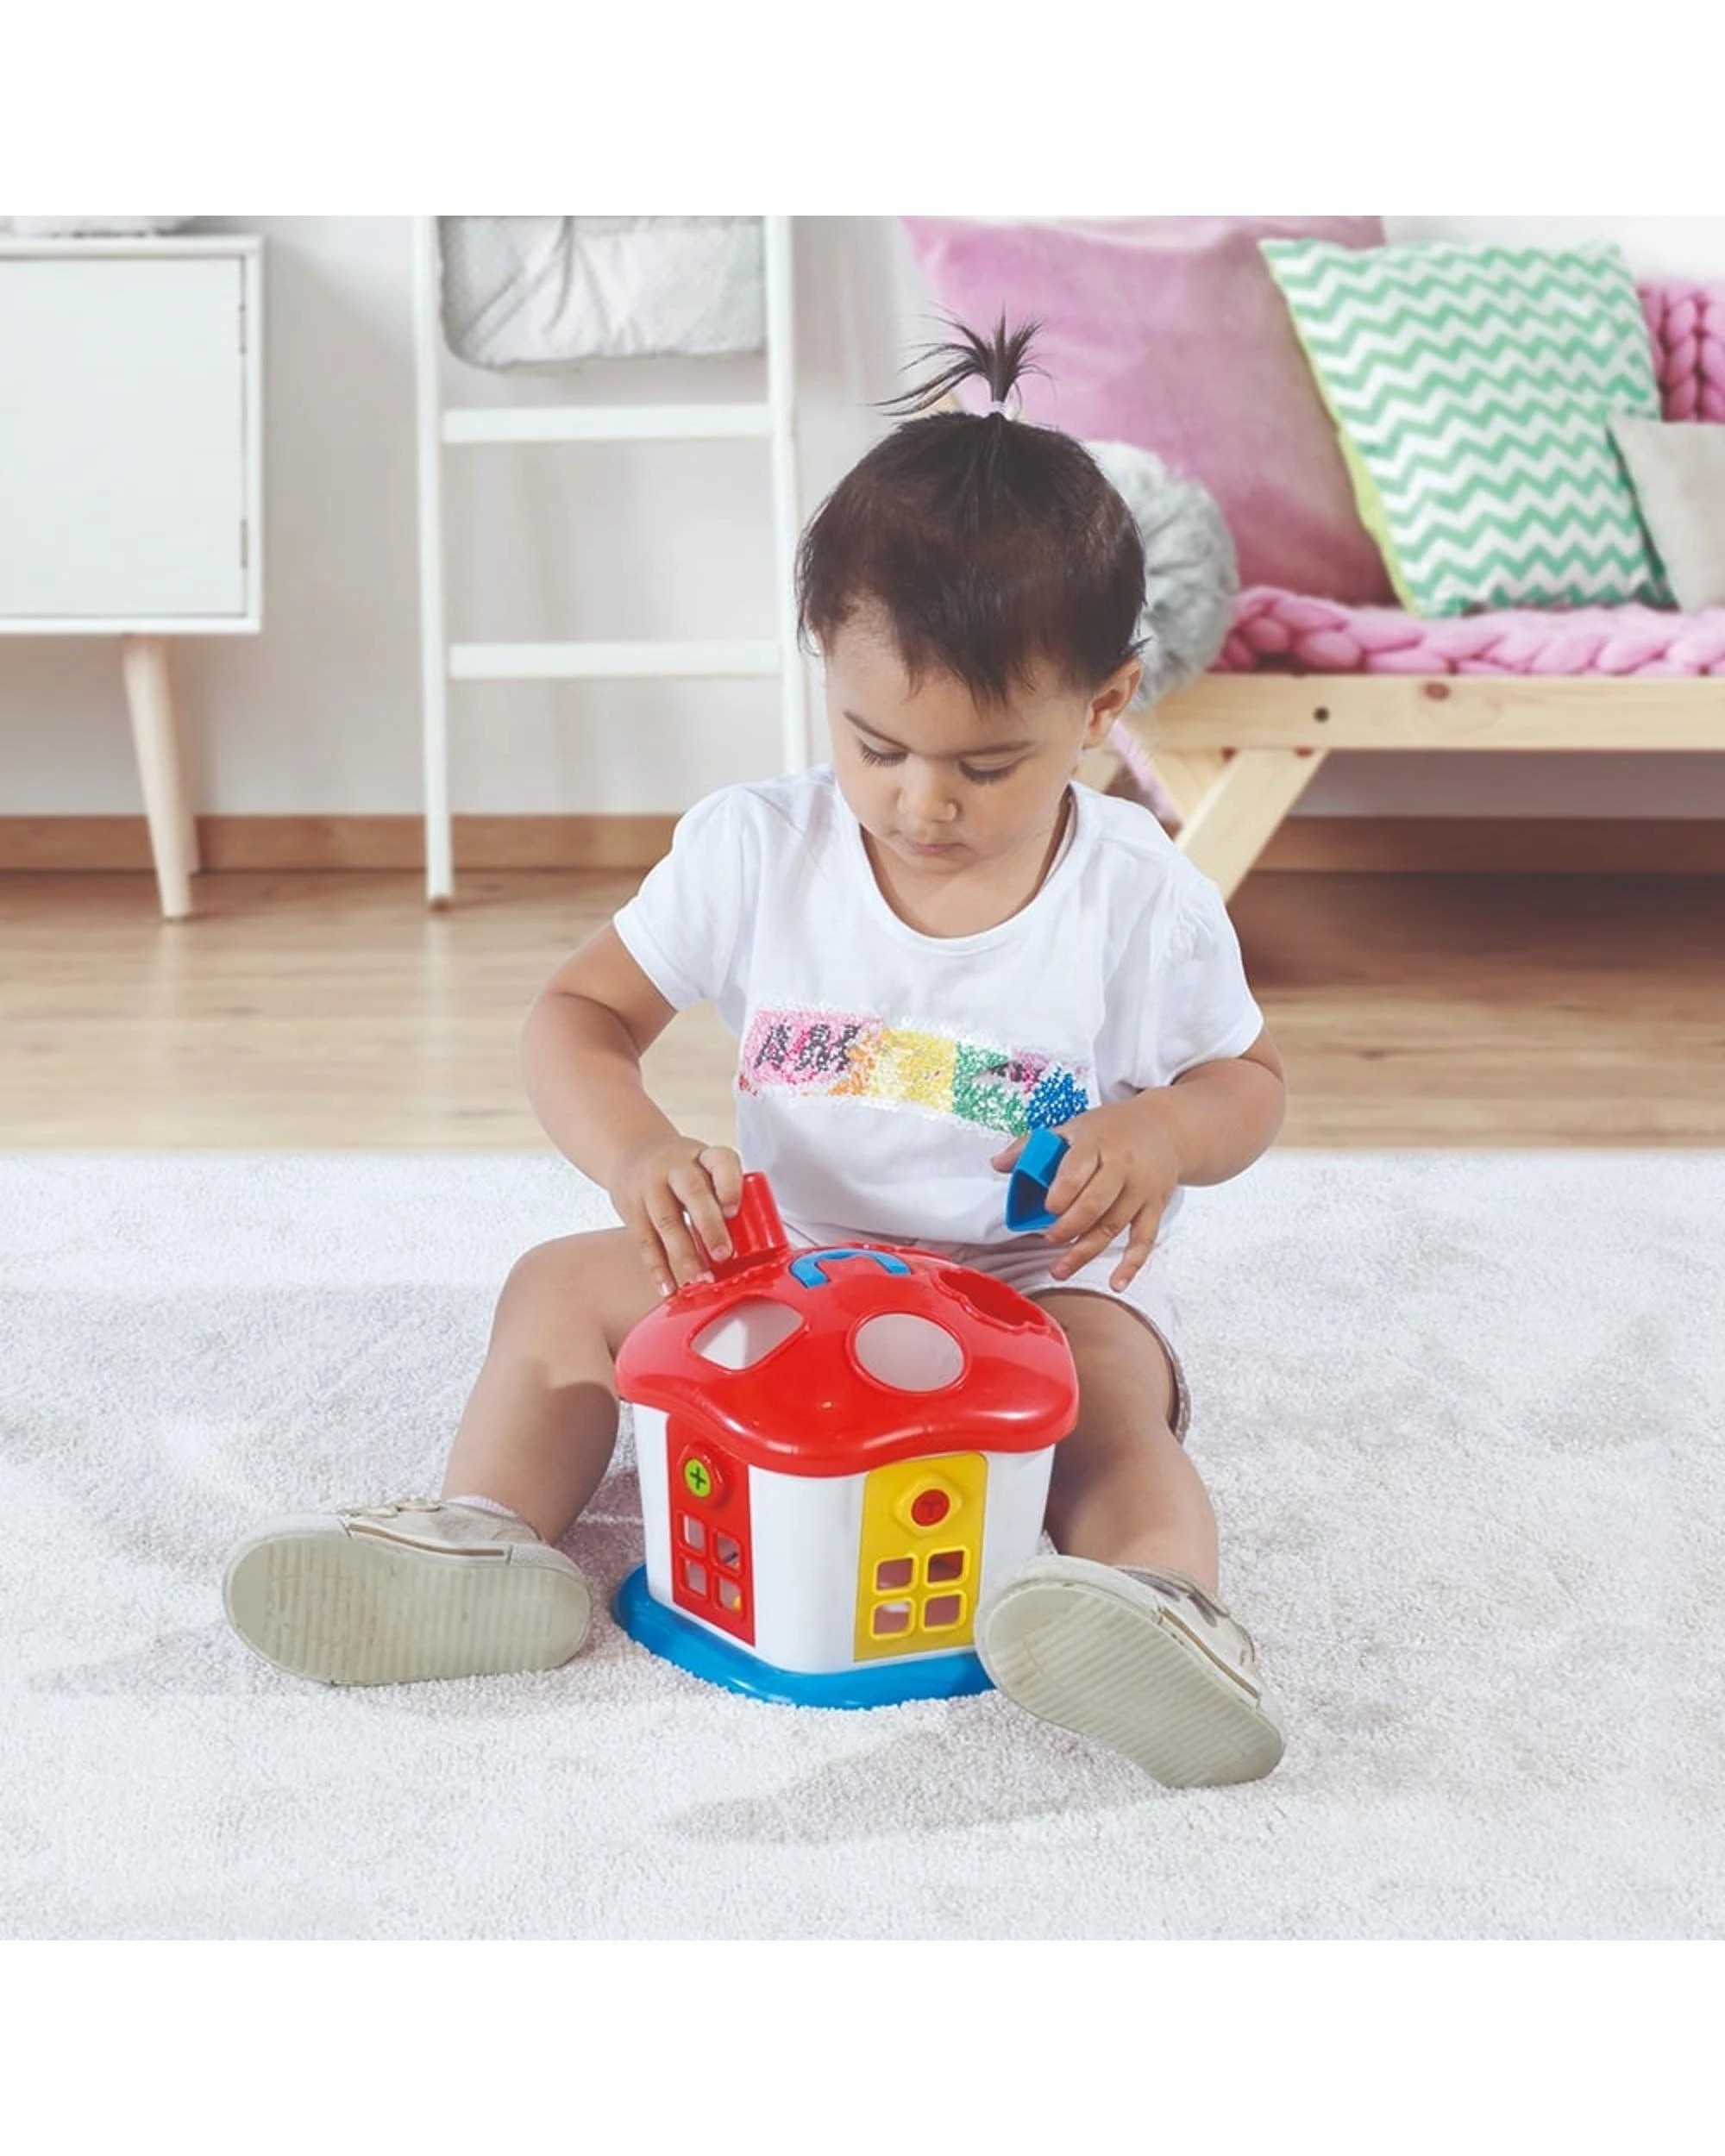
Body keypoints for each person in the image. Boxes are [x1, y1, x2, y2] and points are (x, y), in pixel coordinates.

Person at [223, 315, 1288, 1789]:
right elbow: (576, 1016)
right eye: (876, 745)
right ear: (824, 671)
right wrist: (636, 1153)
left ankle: (1160, 1607)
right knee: (556, 1291)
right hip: (776, 1269)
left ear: (1104, 708)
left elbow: (1248, 1083)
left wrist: (1164, 1131)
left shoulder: (1136, 894)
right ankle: (482, 1540)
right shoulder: (755, 850)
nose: (921, 803)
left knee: (1111, 1384)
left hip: (1022, 1291)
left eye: (987, 765)